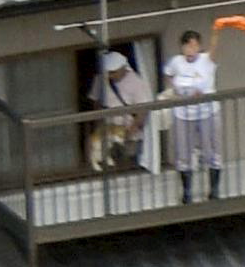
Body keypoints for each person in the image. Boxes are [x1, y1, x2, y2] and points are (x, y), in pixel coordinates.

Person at [161, 28, 223, 202]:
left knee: (211, 150)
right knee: (184, 152)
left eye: (195, 45)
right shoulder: (176, 62)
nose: (191, 49)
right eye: (188, 46)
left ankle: (214, 189)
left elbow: (214, 50)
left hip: (207, 111)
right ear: (182, 47)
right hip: (184, 113)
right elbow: (168, 74)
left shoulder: (206, 60)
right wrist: (175, 91)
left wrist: (216, 32)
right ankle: (187, 190)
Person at [87, 47, 153, 173]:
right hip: (107, 129)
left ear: (123, 67)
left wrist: (131, 131)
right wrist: (99, 122)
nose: (110, 75)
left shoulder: (136, 82)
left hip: (128, 129)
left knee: (127, 163)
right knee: (102, 156)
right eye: (108, 72)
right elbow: (95, 101)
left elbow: (143, 109)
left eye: (113, 72)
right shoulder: (100, 79)